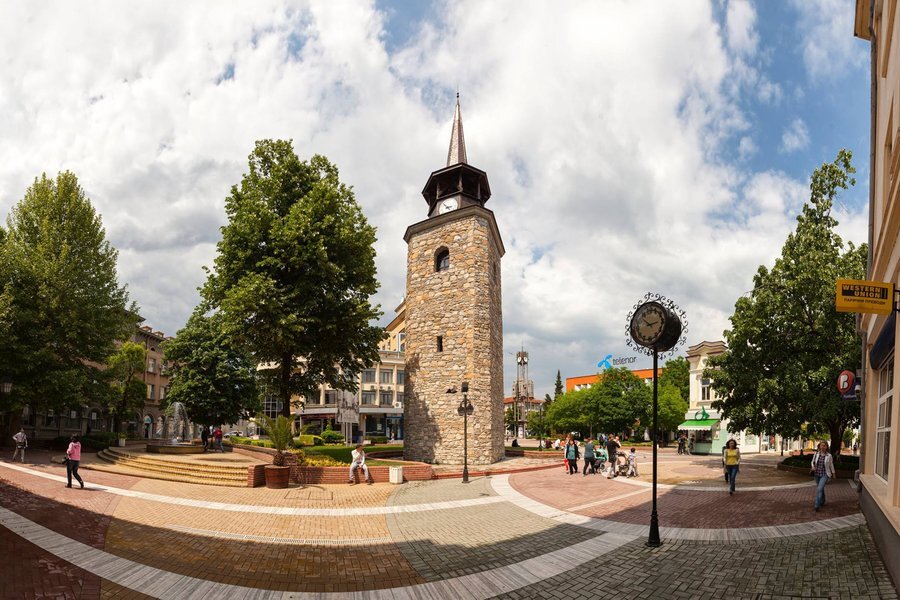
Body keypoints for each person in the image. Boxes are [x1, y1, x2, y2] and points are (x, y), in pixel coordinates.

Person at [810, 441, 835, 512]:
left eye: (824, 445)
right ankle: (823, 500)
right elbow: (812, 462)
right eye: (821, 445)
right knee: (820, 489)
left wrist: (833, 473)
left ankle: (817, 505)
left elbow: (831, 465)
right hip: (817, 474)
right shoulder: (816, 454)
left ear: (826, 447)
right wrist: (813, 467)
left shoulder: (829, 456)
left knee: (819, 488)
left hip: (825, 474)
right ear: (819, 446)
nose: (823, 447)